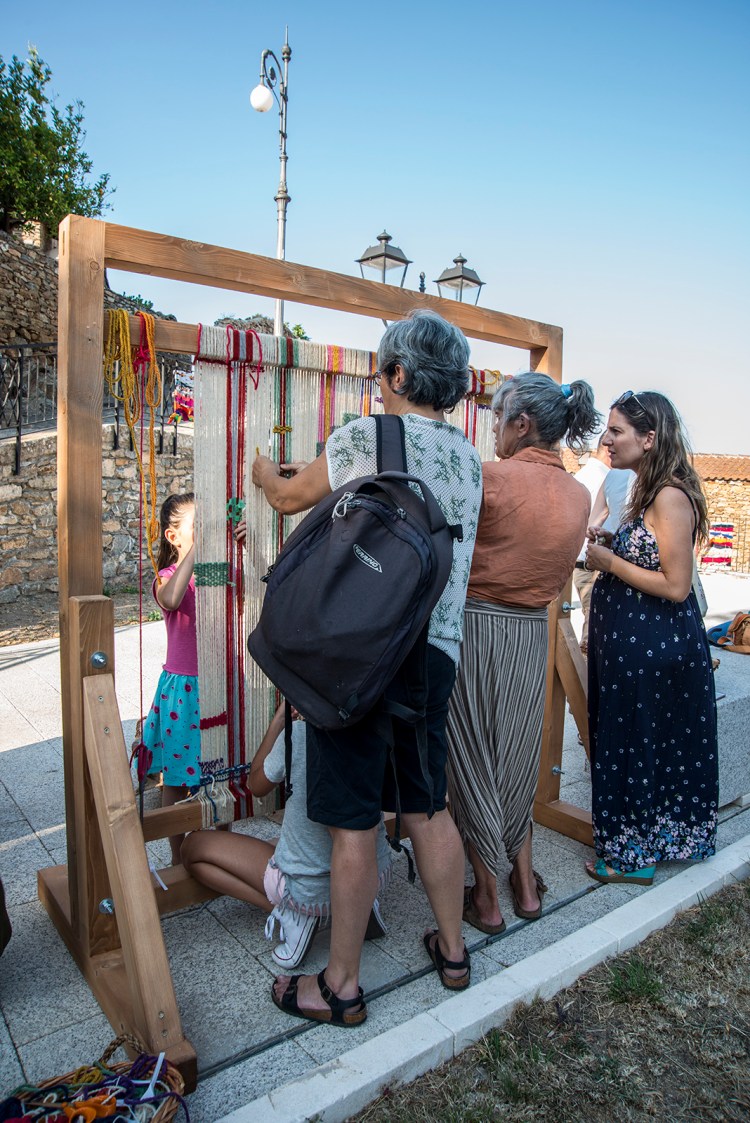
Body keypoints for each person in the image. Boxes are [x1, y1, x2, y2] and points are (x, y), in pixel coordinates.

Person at [251, 309, 482, 1026]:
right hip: (435, 655)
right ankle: (454, 953)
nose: (378, 384)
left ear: (401, 374)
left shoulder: (365, 436)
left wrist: (261, 469)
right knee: (426, 805)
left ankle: (340, 985)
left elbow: (289, 497)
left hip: (358, 654)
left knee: (352, 820)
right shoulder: (471, 459)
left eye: (382, 372)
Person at [446, 373, 599, 933]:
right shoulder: (579, 495)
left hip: (476, 630)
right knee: (514, 757)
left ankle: (487, 899)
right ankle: (526, 888)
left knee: (472, 762)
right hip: (533, 633)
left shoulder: (489, 479)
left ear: (522, 423)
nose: (493, 431)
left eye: (497, 419)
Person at [584, 390, 718, 885]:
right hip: (634, 649)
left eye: (616, 430)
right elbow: (649, 555)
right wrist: (614, 544)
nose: (606, 439)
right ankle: (639, 843)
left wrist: (610, 562)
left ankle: (633, 858)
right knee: (631, 747)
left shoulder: (668, 496)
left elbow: (676, 585)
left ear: (649, 438)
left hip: (654, 651)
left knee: (638, 749)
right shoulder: (646, 489)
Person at [181, 706, 393, 968]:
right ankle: (356, 909)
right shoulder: (377, 719)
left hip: (306, 885)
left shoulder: (298, 733)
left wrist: (279, 722)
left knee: (192, 849)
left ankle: (296, 913)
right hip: (370, 871)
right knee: (304, 838)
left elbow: (255, 786)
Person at [141, 493, 201, 865]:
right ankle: (179, 860)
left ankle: (216, 850)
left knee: (220, 773)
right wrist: (197, 549)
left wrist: (247, 548)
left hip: (218, 686)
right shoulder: (165, 578)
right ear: (173, 536)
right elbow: (173, 599)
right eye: (198, 525)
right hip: (183, 692)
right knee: (177, 778)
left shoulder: (218, 571)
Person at [572, 438, 611, 654]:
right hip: (592, 565)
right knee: (593, 633)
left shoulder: (582, 475)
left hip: (581, 564)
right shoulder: (605, 478)